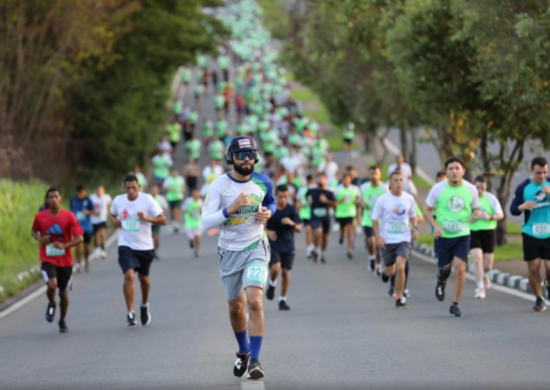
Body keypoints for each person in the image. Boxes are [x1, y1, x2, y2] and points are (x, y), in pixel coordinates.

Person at [201, 136, 276, 380]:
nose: (246, 159)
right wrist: (229, 209)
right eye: (240, 155)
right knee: (236, 308)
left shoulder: (263, 182)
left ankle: (255, 360)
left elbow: (271, 202)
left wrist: (267, 212)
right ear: (230, 158)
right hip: (229, 252)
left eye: (250, 154)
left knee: (255, 301)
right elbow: (205, 222)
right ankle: (243, 350)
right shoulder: (218, 186)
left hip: (256, 246)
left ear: (255, 157)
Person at [424, 157, 480, 317]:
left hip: (462, 235)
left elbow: (476, 208)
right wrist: (435, 226)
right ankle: (441, 281)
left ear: (463, 171)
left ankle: (455, 304)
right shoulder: (437, 189)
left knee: (460, 268)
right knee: (444, 270)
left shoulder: (471, 189)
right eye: (451, 169)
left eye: (457, 168)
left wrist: (475, 215)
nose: (454, 171)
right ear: (446, 172)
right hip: (443, 235)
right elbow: (426, 209)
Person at [110, 174, 166, 326]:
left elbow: (162, 219)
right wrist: (115, 222)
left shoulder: (147, 200)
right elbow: (113, 214)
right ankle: (130, 312)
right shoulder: (118, 201)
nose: (131, 191)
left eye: (134, 188)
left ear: (139, 187)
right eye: (128, 188)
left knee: (144, 280)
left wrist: (147, 218)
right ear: (124, 188)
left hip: (144, 245)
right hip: (126, 244)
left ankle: (144, 304)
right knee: (129, 275)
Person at [32, 188, 83, 333]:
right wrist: (39, 238)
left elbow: (80, 238)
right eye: (50, 197)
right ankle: (52, 302)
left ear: (60, 199)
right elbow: (33, 231)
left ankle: (62, 320)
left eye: (56, 196)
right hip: (48, 257)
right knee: (52, 285)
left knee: (64, 293)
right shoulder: (40, 216)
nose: (53, 199)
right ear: (47, 200)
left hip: (65, 261)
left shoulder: (69, 217)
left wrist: (64, 245)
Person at [372, 171, 418, 308]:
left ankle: (399, 297)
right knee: (390, 271)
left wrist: (414, 228)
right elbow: (374, 220)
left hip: (403, 239)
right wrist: (378, 237)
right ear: (390, 183)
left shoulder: (409, 198)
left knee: (400, 265)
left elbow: (413, 216)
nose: (399, 183)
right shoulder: (382, 200)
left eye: (400, 180)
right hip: (387, 240)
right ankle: (385, 274)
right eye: (396, 180)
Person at [510, 156, 550, 312]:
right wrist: (523, 206)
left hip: (549, 232)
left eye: (545, 172)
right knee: (534, 267)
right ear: (532, 171)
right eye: (539, 173)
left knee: (549, 267)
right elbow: (513, 209)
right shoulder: (523, 187)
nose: (542, 176)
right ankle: (539, 299)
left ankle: (548, 282)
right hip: (530, 232)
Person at [265, 184, 302, 310]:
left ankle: (282, 299)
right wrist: (268, 232)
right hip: (274, 244)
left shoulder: (291, 209)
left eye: (286, 197)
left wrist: (291, 223)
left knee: (286, 273)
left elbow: (299, 229)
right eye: (281, 197)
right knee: (275, 268)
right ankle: (272, 283)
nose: (283, 199)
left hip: (288, 245)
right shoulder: (270, 209)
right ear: (276, 196)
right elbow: (260, 226)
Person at [469, 175, 504, 299]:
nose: (479, 191)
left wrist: (489, 216)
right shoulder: (468, 199)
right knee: (477, 259)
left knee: (488, 265)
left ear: (486, 187)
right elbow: (462, 217)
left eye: (482, 188)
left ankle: (485, 275)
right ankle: (480, 288)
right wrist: (472, 218)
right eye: (477, 188)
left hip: (489, 232)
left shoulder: (491, 198)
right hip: (473, 232)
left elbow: (501, 215)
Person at [359, 166, 387, 273]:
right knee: (371, 241)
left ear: (380, 175)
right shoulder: (364, 187)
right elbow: (360, 200)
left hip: (381, 220)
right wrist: (362, 204)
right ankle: (371, 257)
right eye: (372, 174)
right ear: (369, 175)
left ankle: (379, 264)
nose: (374, 176)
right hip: (368, 218)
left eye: (376, 173)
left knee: (379, 243)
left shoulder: (384, 188)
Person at [307, 173, 336, 263]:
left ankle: (321, 252)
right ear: (317, 180)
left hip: (326, 217)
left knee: (325, 237)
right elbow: (306, 198)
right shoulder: (311, 191)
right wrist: (308, 201)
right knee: (318, 232)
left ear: (326, 180)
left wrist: (326, 201)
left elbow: (335, 204)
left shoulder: (329, 193)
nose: (321, 180)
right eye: (319, 178)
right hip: (315, 215)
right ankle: (317, 249)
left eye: (323, 178)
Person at [70, 185, 95, 272]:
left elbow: (94, 211)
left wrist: (88, 212)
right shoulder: (73, 199)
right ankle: (78, 262)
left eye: (83, 192)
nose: (81, 194)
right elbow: (71, 210)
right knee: (77, 245)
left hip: (87, 227)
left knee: (86, 245)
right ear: (77, 192)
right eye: (80, 192)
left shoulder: (88, 200)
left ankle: (87, 260)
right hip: (76, 227)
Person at [335, 173, 359, 259]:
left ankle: (349, 251)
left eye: (348, 180)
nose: (346, 182)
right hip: (341, 213)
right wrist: (341, 200)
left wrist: (356, 201)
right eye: (345, 180)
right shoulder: (338, 189)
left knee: (350, 231)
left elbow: (357, 198)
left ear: (350, 180)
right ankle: (341, 236)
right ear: (342, 180)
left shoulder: (354, 188)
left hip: (351, 213)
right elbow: (334, 202)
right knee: (343, 229)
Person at [296, 174, 316, 258]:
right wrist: (303, 206)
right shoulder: (302, 190)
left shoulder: (315, 189)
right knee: (308, 231)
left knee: (315, 232)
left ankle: (313, 246)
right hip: (305, 214)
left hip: (314, 213)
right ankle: (308, 249)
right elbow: (299, 202)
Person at [90, 185, 112, 259]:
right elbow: (88, 208)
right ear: (95, 191)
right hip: (94, 220)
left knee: (102, 234)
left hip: (103, 219)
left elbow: (109, 206)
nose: (99, 193)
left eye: (101, 191)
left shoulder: (107, 197)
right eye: (98, 191)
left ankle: (103, 248)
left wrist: (109, 214)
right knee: (96, 236)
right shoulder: (91, 198)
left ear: (103, 191)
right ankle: (96, 247)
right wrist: (93, 212)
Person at [182, 188, 203, 258]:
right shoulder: (188, 201)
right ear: (193, 193)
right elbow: (183, 209)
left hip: (198, 221)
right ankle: (191, 242)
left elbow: (203, 212)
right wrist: (189, 212)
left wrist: (200, 211)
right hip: (189, 222)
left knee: (197, 237)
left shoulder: (200, 202)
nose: (196, 194)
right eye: (195, 193)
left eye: (197, 193)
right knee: (191, 238)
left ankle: (197, 250)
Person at [163, 168, 185, 233]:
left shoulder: (180, 179)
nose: (174, 173)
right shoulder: (168, 180)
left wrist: (181, 190)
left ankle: (177, 223)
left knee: (177, 210)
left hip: (178, 197)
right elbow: (164, 188)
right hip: (170, 197)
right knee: (172, 211)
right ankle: (174, 222)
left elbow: (183, 187)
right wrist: (170, 189)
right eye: (173, 172)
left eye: (175, 172)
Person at [150, 185, 168, 260]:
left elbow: (166, 208)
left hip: (157, 220)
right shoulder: (148, 198)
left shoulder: (161, 198)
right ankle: (151, 251)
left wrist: (162, 216)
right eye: (153, 190)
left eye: (155, 190)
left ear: (157, 191)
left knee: (156, 237)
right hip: (149, 220)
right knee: (150, 237)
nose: (154, 191)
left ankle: (155, 249)